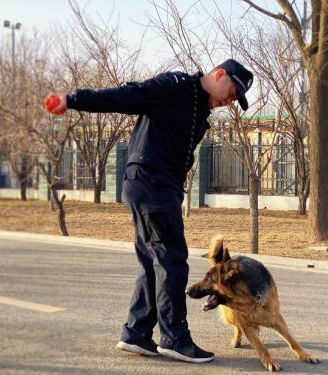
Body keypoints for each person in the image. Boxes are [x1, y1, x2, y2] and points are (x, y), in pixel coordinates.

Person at [45, 59, 253, 363]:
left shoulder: (199, 109)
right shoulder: (175, 87)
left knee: (153, 263)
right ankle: (175, 339)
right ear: (219, 74)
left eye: (235, 100)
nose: (229, 101)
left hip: (157, 186)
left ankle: (137, 334)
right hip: (149, 183)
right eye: (232, 92)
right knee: (172, 261)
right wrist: (72, 100)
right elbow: (126, 96)